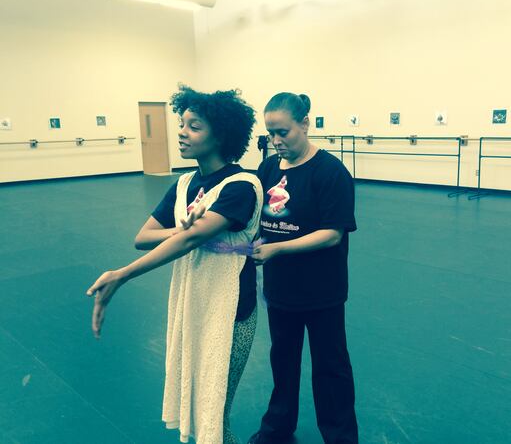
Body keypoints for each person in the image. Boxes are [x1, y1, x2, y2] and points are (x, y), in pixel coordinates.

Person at [86, 86, 262, 444]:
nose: (181, 132)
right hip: (190, 302)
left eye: (194, 126)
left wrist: (123, 274)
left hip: (231, 310)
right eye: (182, 124)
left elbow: (191, 239)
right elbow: (144, 236)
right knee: (197, 402)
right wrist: (183, 227)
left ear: (221, 134)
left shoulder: (242, 185)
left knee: (215, 408)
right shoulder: (184, 184)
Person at [248, 93, 359, 444]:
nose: (277, 141)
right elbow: (256, 218)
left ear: (305, 124)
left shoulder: (330, 172)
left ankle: (341, 437)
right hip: (280, 290)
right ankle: (277, 428)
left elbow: (331, 234)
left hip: (322, 291)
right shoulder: (266, 170)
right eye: (270, 134)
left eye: (283, 132)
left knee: (331, 368)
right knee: (283, 362)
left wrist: (278, 248)